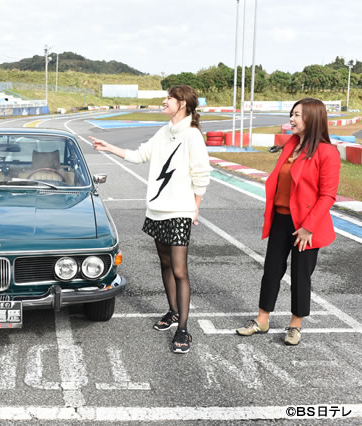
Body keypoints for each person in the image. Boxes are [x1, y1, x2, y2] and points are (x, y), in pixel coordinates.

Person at [90, 85, 211, 354]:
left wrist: (195, 208)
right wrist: (109, 147)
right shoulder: (164, 132)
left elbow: (202, 174)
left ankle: (183, 330)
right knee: (165, 264)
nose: (164, 101)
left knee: (179, 270)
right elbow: (139, 155)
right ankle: (172, 312)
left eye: (169, 98)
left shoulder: (192, 135)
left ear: (182, 104)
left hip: (179, 212)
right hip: (157, 210)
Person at [236, 98, 340, 345]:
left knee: (300, 275)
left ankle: (295, 325)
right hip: (281, 219)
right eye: (292, 114)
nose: (291, 119)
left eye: (297, 115)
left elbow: (328, 195)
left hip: (306, 225)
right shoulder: (291, 144)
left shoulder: (327, 152)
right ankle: (262, 319)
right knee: (271, 270)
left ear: (312, 119)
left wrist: (308, 227)